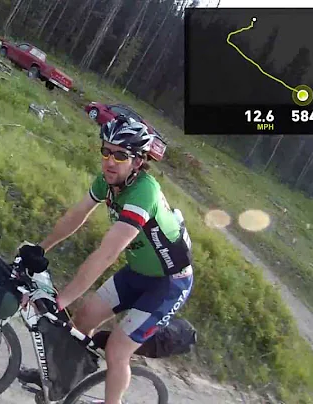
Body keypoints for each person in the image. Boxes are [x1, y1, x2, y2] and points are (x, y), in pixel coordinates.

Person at [16, 116, 194, 404]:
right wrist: (41, 248)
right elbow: (77, 214)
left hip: (168, 283)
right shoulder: (108, 182)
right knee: (82, 321)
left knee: (117, 350)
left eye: (121, 155)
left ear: (137, 162)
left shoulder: (143, 193)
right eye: (106, 151)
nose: (110, 161)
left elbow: (107, 253)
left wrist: (63, 298)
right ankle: (62, 380)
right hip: (137, 273)